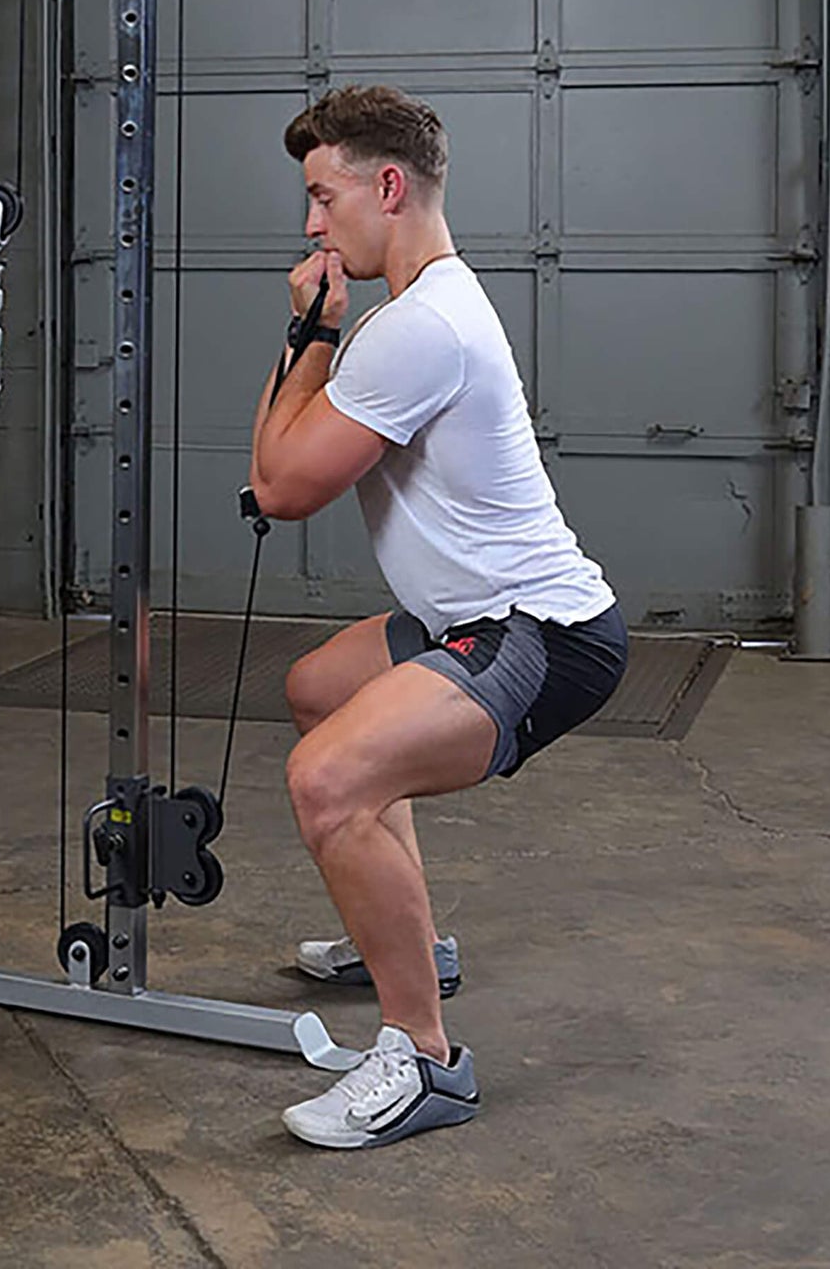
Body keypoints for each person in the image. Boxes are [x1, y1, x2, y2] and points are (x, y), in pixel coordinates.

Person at [247, 85, 628, 1150]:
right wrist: (319, 335)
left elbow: (279, 485)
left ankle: (424, 1061)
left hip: (539, 637)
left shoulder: (417, 330)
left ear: (388, 187)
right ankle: (407, 940)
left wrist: (311, 332)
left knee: (328, 781)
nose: (312, 224)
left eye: (323, 198)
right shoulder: (414, 313)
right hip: (466, 615)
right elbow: (281, 464)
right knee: (320, 690)